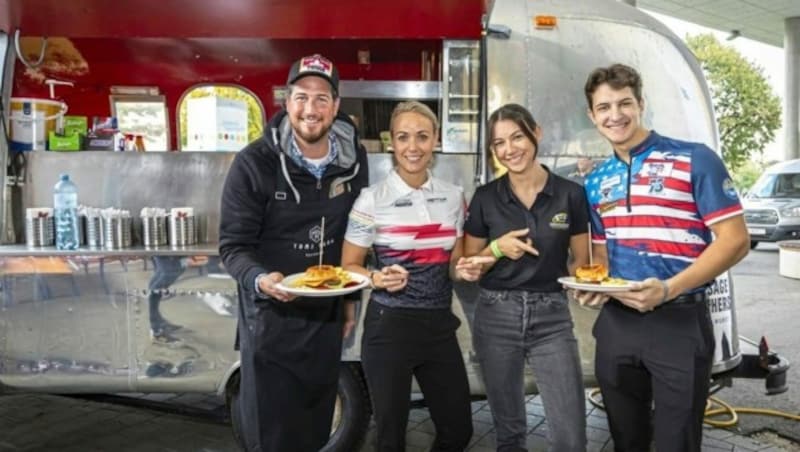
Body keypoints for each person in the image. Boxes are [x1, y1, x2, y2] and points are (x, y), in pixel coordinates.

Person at [575, 63, 750, 451]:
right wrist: (594, 286)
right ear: (592, 115)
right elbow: (602, 252)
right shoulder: (597, 180)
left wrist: (668, 289)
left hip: (680, 323)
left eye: (624, 103)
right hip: (617, 324)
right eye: (604, 107)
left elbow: (735, 240)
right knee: (626, 440)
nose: (614, 115)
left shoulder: (695, 159)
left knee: (677, 443)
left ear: (641, 104)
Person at [218, 54, 369, 452]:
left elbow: (355, 234)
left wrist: (350, 299)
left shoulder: (354, 161)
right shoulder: (254, 162)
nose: (311, 109)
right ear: (287, 101)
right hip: (271, 315)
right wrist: (260, 279)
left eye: (322, 99)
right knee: (270, 433)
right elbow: (233, 246)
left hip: (326, 316)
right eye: (302, 96)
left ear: (336, 106)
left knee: (316, 424)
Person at [341, 101, 485, 451]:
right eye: (403, 137)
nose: (413, 147)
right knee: (391, 439)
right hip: (389, 328)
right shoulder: (371, 198)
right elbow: (348, 266)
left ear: (435, 139)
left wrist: (464, 268)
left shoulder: (454, 197)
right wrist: (376, 278)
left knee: (458, 430)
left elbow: (454, 262)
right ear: (392, 142)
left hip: (439, 326)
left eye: (422, 136)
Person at [462, 103, 590, 452]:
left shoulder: (571, 194)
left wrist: (589, 285)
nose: (509, 149)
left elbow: (581, 261)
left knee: (571, 437)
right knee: (510, 434)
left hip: (552, 318)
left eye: (517, 136)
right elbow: (467, 263)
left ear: (537, 132)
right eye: (499, 143)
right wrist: (496, 250)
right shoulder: (486, 198)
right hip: (495, 314)